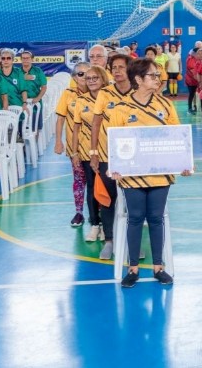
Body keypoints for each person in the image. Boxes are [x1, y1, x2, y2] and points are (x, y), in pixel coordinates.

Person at [108, 59, 193, 287]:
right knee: (135, 218)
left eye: (158, 75)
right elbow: (114, 142)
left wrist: (184, 163)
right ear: (138, 79)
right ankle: (133, 269)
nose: (158, 79)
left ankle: (158, 267)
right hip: (132, 176)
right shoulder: (121, 108)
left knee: (156, 219)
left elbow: (178, 137)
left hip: (160, 175)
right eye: (153, 75)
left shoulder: (166, 106)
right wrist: (115, 167)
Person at [89, 53, 134, 260]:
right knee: (108, 200)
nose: (116, 71)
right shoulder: (105, 94)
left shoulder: (138, 92)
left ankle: (131, 242)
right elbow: (96, 124)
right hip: (108, 156)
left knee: (133, 202)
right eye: (113, 67)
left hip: (134, 159)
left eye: (121, 67)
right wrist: (94, 152)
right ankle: (109, 241)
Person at [72, 65, 107, 243]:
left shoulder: (111, 98)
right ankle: (95, 224)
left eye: (95, 78)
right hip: (87, 152)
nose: (91, 81)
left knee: (109, 189)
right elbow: (76, 129)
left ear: (103, 79)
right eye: (88, 78)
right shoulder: (81, 101)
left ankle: (107, 226)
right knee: (92, 188)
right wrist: (74, 152)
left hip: (108, 151)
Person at [55, 61, 90, 227]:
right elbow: (60, 117)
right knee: (79, 179)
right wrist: (58, 142)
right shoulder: (68, 94)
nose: (85, 77)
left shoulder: (100, 94)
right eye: (81, 74)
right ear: (74, 78)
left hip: (97, 147)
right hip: (75, 146)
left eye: (88, 73)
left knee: (97, 181)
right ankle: (79, 212)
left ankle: (98, 214)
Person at [184, 42, 202, 114]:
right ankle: (189, 108)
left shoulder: (199, 60)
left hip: (196, 80)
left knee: (198, 94)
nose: (201, 54)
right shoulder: (190, 59)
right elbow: (194, 73)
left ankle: (196, 107)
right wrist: (201, 82)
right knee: (192, 93)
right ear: (194, 54)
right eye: (199, 53)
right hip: (191, 80)